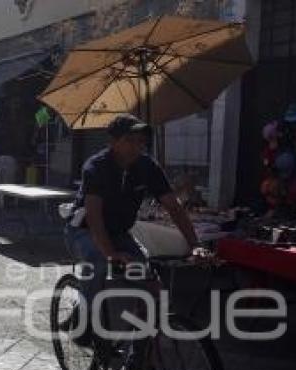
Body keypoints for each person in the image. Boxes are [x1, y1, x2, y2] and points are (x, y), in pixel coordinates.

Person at [64, 114, 205, 356]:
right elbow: (95, 217)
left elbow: (174, 207)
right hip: (84, 230)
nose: (137, 146)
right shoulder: (96, 167)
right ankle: (84, 321)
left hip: (119, 232)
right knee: (98, 262)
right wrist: (111, 254)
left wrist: (195, 245)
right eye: (130, 140)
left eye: (141, 141)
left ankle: (137, 358)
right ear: (113, 141)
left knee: (152, 287)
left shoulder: (147, 167)